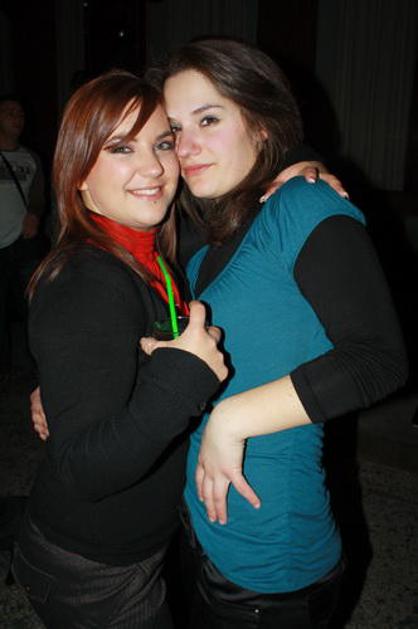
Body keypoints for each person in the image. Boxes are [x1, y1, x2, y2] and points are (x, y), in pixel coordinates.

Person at [139, 38, 408, 628]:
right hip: (202, 531)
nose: (186, 146)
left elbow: (379, 358)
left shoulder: (304, 204)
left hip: (269, 566)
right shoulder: (209, 234)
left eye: (209, 119)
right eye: (175, 129)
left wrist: (232, 420)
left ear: (262, 123)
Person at [11, 69, 228, 629]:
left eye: (162, 144)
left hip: (134, 546)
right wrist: (183, 375)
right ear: (79, 173)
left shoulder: (152, 252)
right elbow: (83, 470)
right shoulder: (86, 280)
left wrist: (301, 164)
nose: (153, 167)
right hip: (92, 572)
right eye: (121, 148)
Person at [0, 94, 46, 383]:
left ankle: (35, 367)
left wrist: (35, 214)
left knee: (33, 306)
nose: (17, 118)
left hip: (23, 242)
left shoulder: (31, 158)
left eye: (20, 114)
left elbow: (38, 196)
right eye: (9, 113)